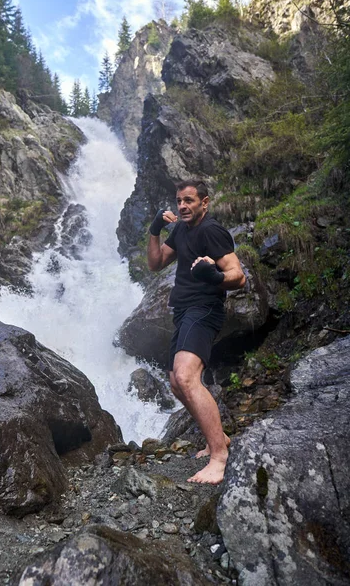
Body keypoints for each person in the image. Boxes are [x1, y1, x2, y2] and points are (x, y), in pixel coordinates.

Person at [147, 180, 245, 485]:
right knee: (177, 382)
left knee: (187, 376)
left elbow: (237, 276)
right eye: (179, 201)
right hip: (184, 311)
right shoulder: (181, 229)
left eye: (189, 200)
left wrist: (213, 276)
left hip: (205, 309)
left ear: (205, 202)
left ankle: (219, 457)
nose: (182, 206)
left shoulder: (211, 230)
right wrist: (153, 231)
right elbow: (155, 263)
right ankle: (219, 439)